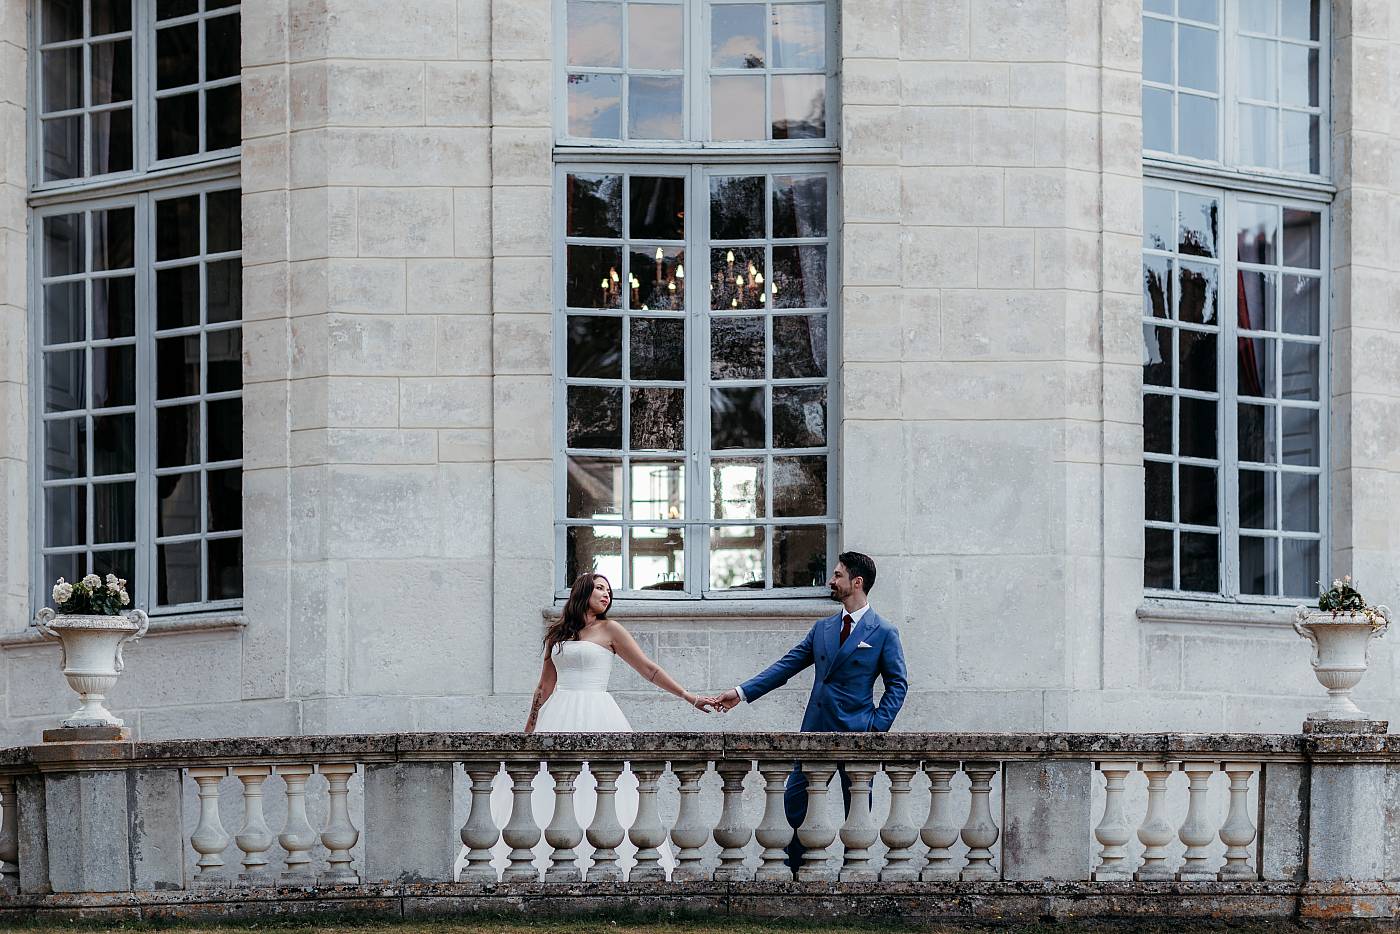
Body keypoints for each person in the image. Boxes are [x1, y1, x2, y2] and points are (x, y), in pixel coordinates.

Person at [488, 572, 712, 877]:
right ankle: (542, 866)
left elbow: (649, 669)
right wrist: (529, 728)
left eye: (609, 591)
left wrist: (689, 696)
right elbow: (544, 687)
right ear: (583, 592)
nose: (606, 595)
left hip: (599, 711)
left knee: (605, 784)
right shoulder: (558, 635)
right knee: (547, 784)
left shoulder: (611, 630)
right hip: (558, 714)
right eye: (600, 589)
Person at [705, 551, 907, 873]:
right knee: (792, 807)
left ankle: (856, 876)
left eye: (838, 575)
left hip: (858, 736)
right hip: (813, 732)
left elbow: (898, 684)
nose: (831, 580)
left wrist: (876, 726)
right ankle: (794, 874)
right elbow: (785, 666)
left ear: (857, 582)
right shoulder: (823, 629)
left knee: (857, 813)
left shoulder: (883, 631)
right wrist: (740, 693)